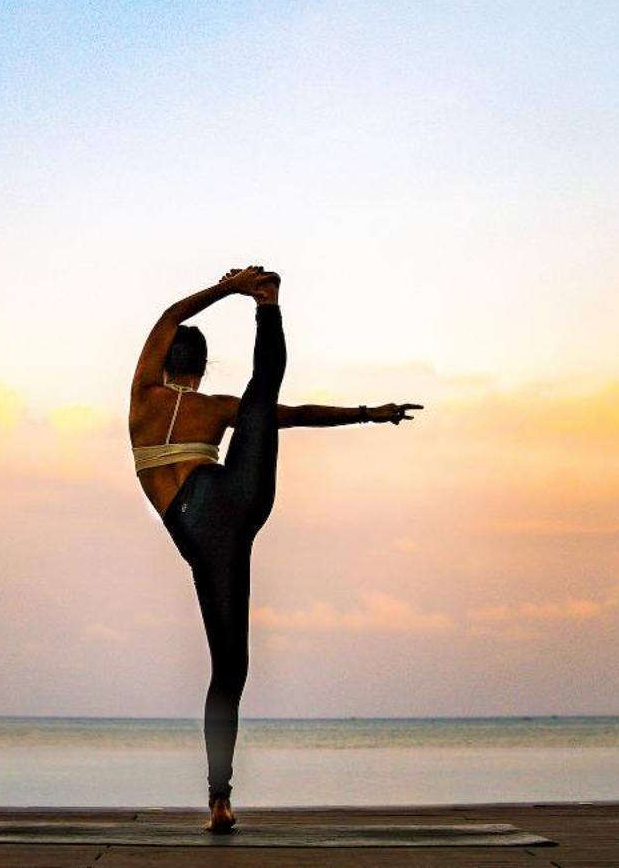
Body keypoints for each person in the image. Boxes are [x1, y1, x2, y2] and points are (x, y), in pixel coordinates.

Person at [130, 266, 422, 832]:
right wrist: (369, 413)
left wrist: (224, 288)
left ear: (165, 362)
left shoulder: (141, 399)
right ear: (201, 366)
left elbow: (170, 316)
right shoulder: (215, 407)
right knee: (263, 396)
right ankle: (269, 305)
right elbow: (293, 416)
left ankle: (219, 798)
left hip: (203, 533)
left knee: (227, 670)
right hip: (236, 505)